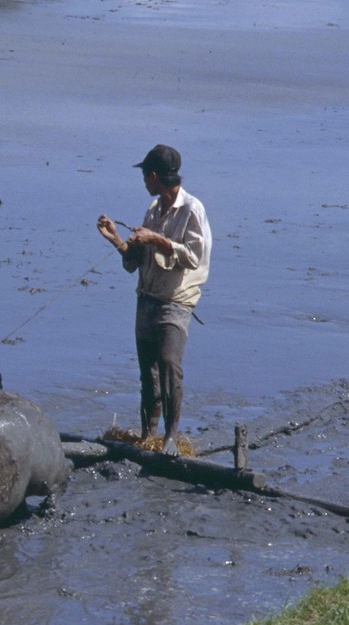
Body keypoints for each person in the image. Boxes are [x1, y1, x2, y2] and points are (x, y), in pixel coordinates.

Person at [97, 144, 211, 456]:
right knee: (148, 372)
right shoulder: (152, 208)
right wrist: (116, 239)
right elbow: (136, 260)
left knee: (169, 365)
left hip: (176, 301)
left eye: (145, 175)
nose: (144, 182)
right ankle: (148, 437)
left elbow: (194, 257)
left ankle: (171, 439)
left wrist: (157, 239)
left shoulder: (192, 211)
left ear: (154, 176)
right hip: (146, 298)